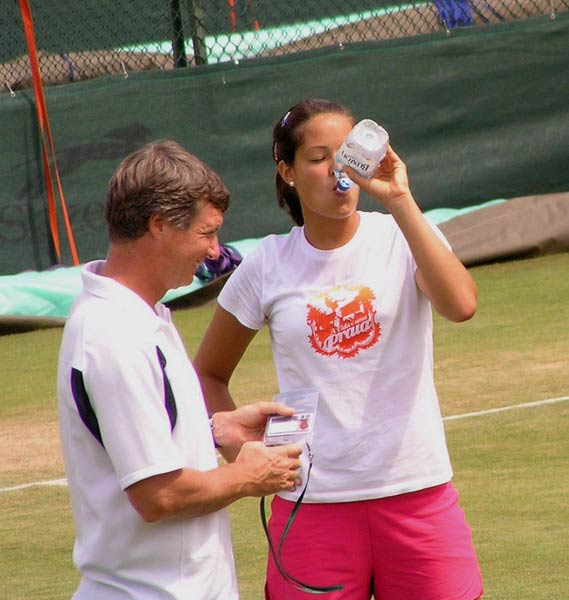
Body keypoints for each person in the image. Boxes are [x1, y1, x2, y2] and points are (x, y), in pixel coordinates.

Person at [193, 99, 484, 599]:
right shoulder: (268, 263)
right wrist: (245, 451)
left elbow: (460, 305)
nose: (338, 170)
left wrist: (400, 198)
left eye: (346, 153)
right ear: (286, 171)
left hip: (417, 494)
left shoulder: (400, 235)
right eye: (317, 157)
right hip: (312, 506)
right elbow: (207, 374)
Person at [57, 139, 303, 599]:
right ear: (159, 226)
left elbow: (140, 439)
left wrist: (216, 430)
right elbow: (158, 495)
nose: (214, 251)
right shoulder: (114, 334)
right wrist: (251, 474)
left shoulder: (140, 316)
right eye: (205, 233)